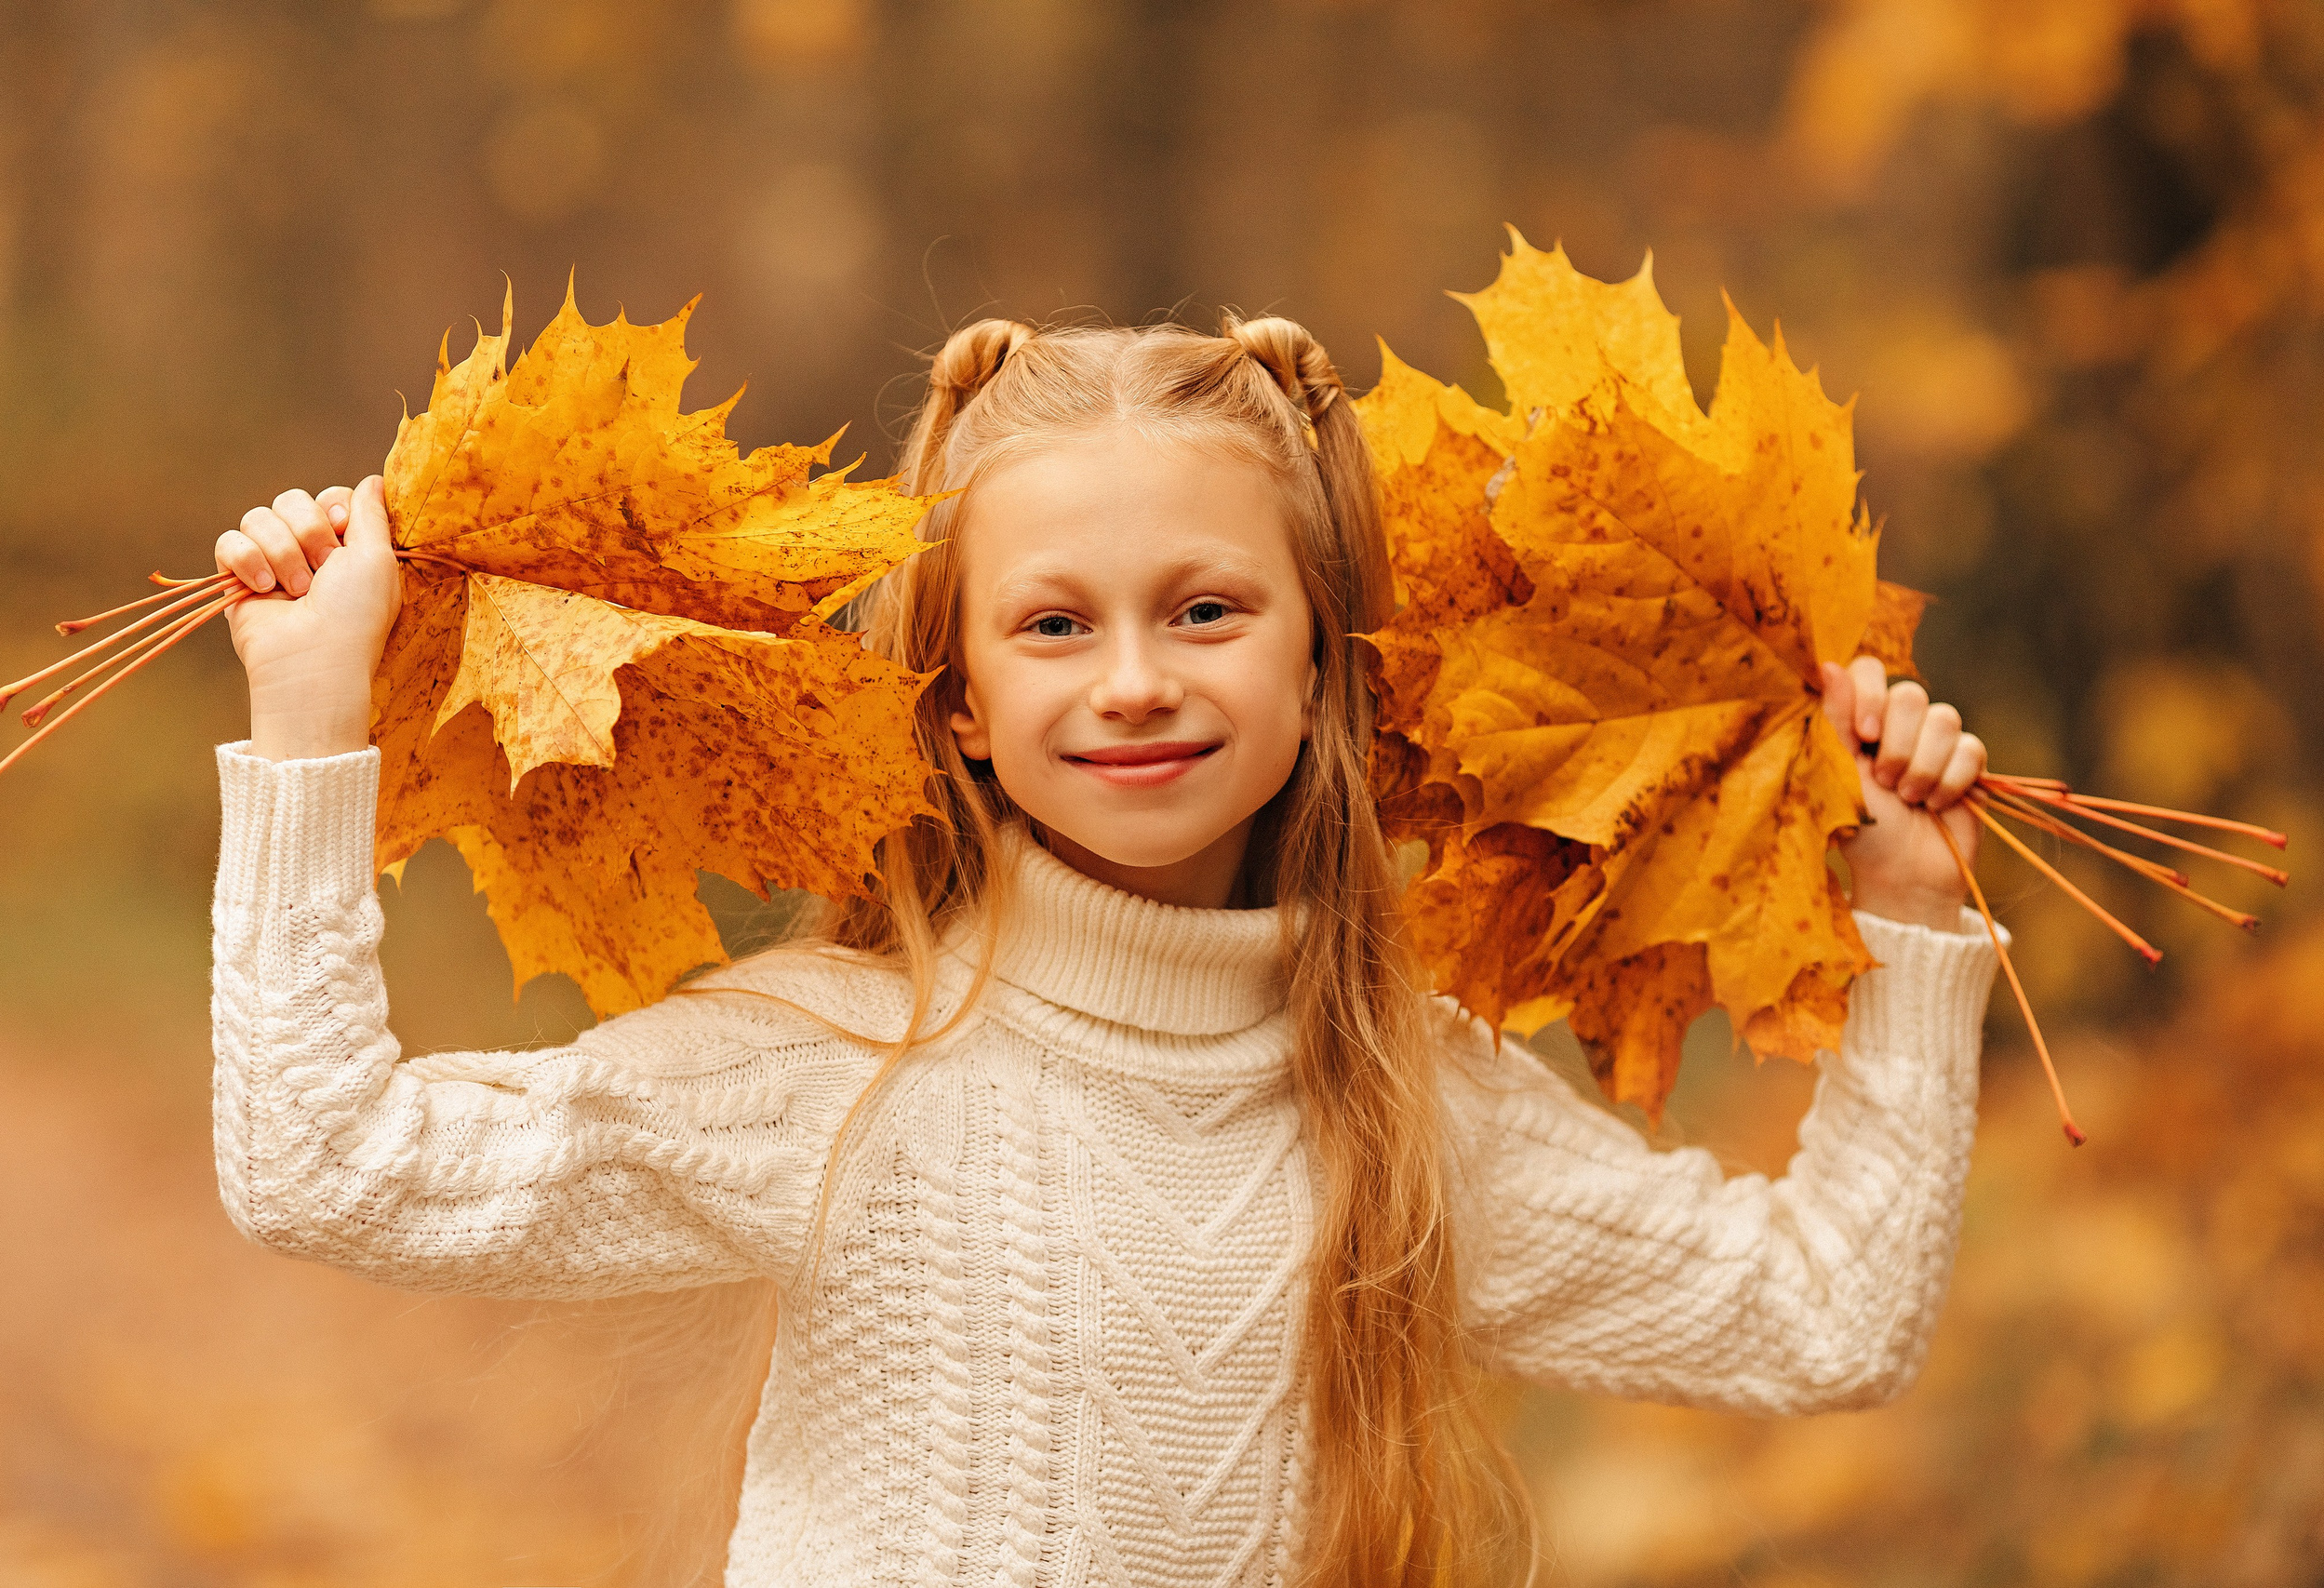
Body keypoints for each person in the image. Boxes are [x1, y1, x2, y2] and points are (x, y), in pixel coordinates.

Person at [207, 316, 2000, 1588]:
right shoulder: (845, 1064)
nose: (1135, 680)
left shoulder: (1406, 1099)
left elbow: (1824, 1314)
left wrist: (1913, 917)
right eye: (1054, 625)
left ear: (1318, 664)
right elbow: (328, 1165)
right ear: (965, 700)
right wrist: (305, 720)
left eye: (1206, 610)